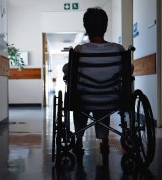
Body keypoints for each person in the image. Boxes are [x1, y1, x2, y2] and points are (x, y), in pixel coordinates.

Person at [63, 7, 126, 154]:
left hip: (84, 99)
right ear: (105, 26)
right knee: (102, 107)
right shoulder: (118, 49)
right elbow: (128, 70)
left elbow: (69, 71)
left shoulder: (79, 50)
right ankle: (104, 140)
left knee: (80, 101)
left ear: (86, 28)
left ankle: (78, 140)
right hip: (111, 99)